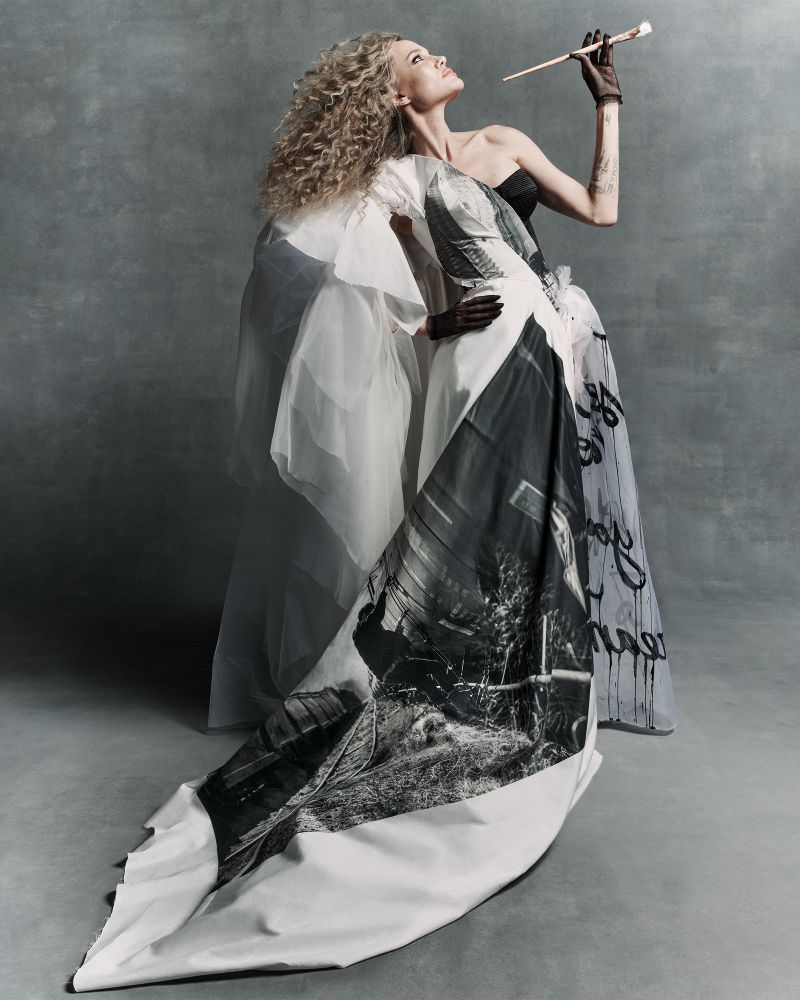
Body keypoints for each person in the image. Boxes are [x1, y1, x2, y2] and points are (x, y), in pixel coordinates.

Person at [71, 29, 675, 992]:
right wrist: (432, 324)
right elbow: (354, 298)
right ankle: (456, 697)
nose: (439, 58)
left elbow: (601, 212)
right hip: (473, 363)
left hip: (542, 344)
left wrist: (608, 103)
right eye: (418, 58)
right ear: (394, 96)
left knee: (541, 531)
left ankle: (531, 687)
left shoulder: (505, 141)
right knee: (468, 541)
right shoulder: (389, 187)